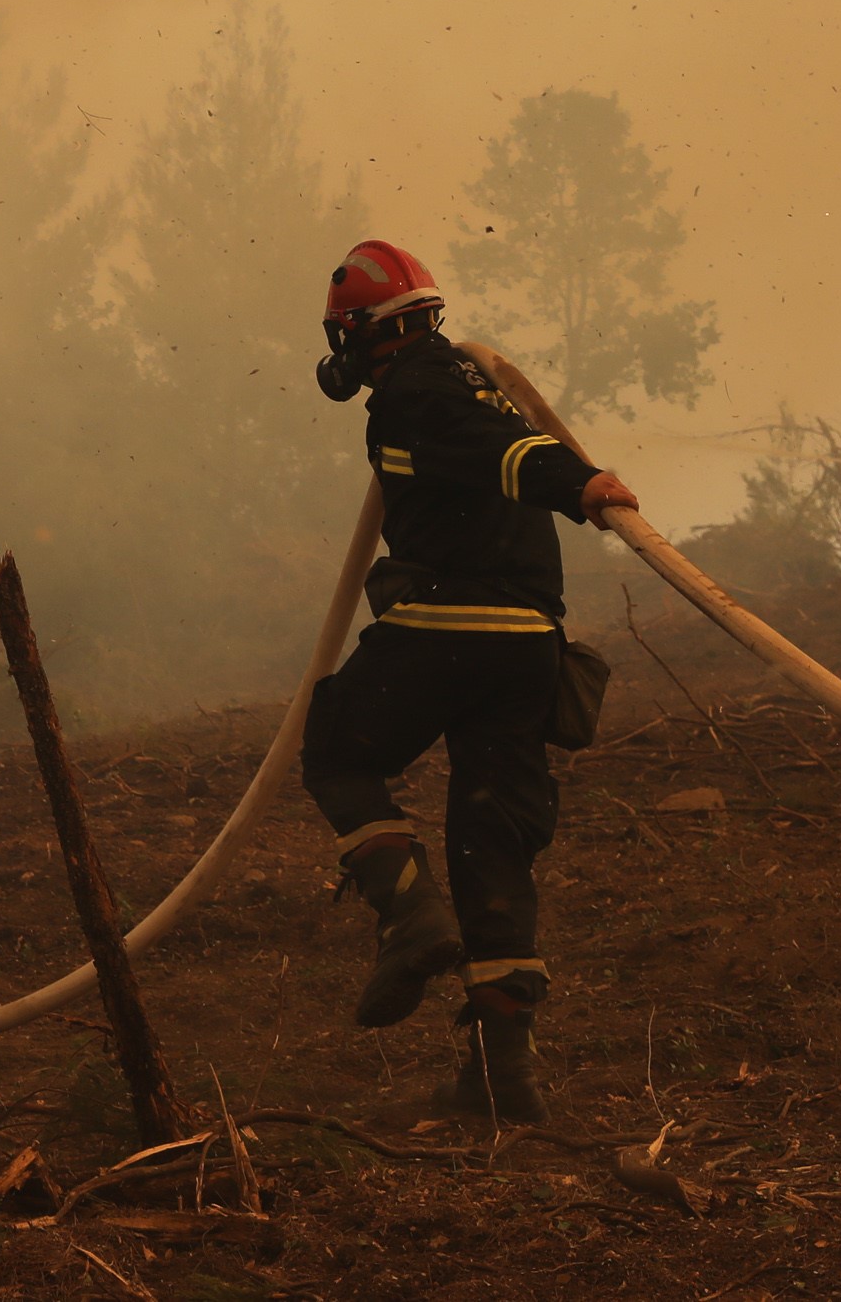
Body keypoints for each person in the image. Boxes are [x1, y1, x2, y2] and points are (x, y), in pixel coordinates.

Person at [300, 241, 638, 1123]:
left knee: (334, 751)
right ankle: (503, 1074)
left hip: (448, 626)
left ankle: (409, 918)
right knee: (491, 844)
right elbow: (499, 443)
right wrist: (574, 480)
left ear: (362, 331)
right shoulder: (469, 380)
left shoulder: (417, 392)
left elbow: (505, 454)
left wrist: (580, 485)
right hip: (527, 647)